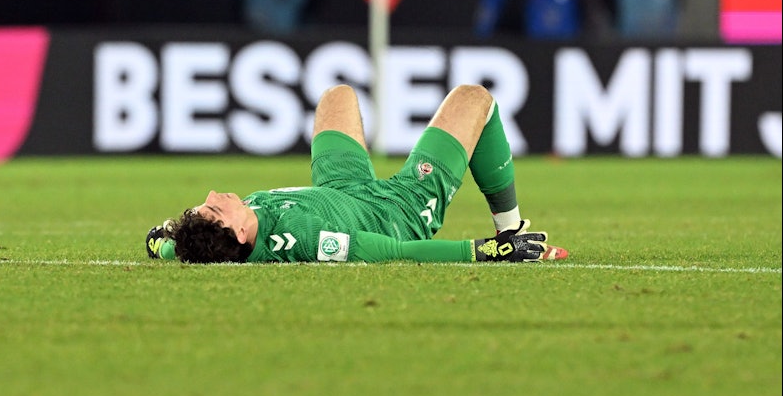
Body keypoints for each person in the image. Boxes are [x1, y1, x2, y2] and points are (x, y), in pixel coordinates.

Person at [145, 83, 568, 264]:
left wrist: (162, 246)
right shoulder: (302, 238)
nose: (214, 195)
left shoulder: (229, 235)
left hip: (339, 187)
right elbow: (386, 252)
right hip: (395, 211)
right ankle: (510, 230)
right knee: (475, 99)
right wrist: (478, 251)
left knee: (337, 97)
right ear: (238, 236)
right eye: (213, 210)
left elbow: (181, 250)